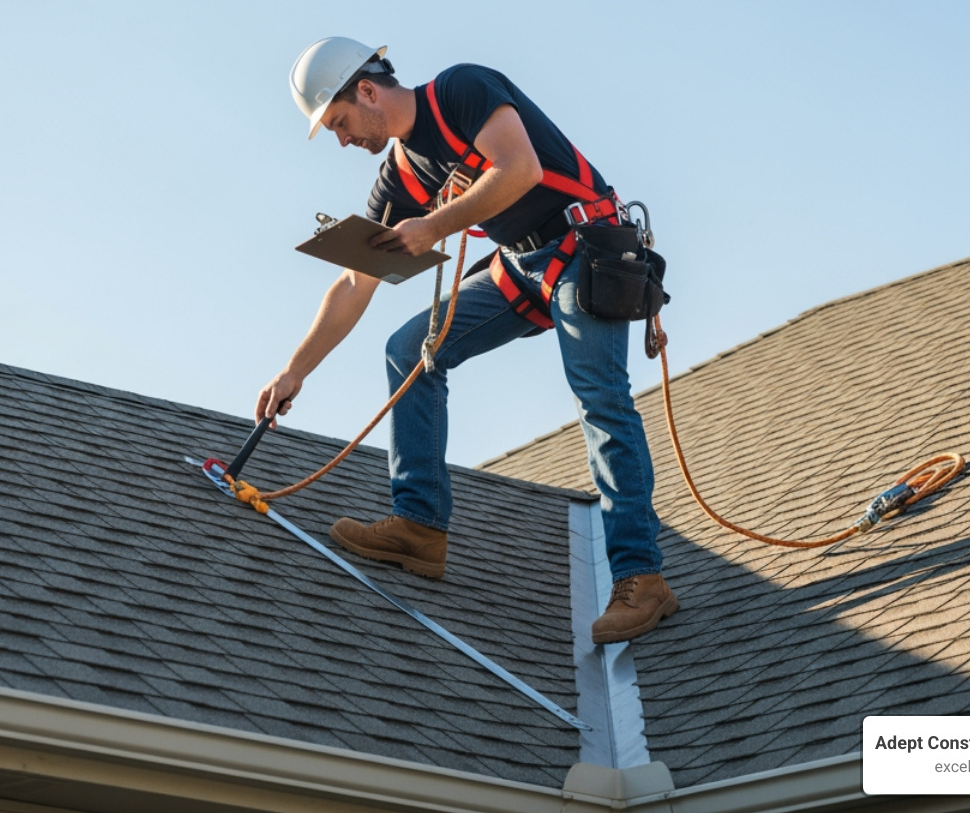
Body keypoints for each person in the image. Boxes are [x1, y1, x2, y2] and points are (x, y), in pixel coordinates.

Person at [257, 37, 677, 644]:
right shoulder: (399, 175)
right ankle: (419, 526)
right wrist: (295, 370)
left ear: (367, 91)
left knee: (600, 398)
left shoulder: (462, 90)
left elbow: (520, 168)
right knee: (409, 351)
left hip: (584, 249)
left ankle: (642, 577)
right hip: (520, 265)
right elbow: (354, 282)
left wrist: (434, 225)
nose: (343, 141)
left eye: (340, 123)